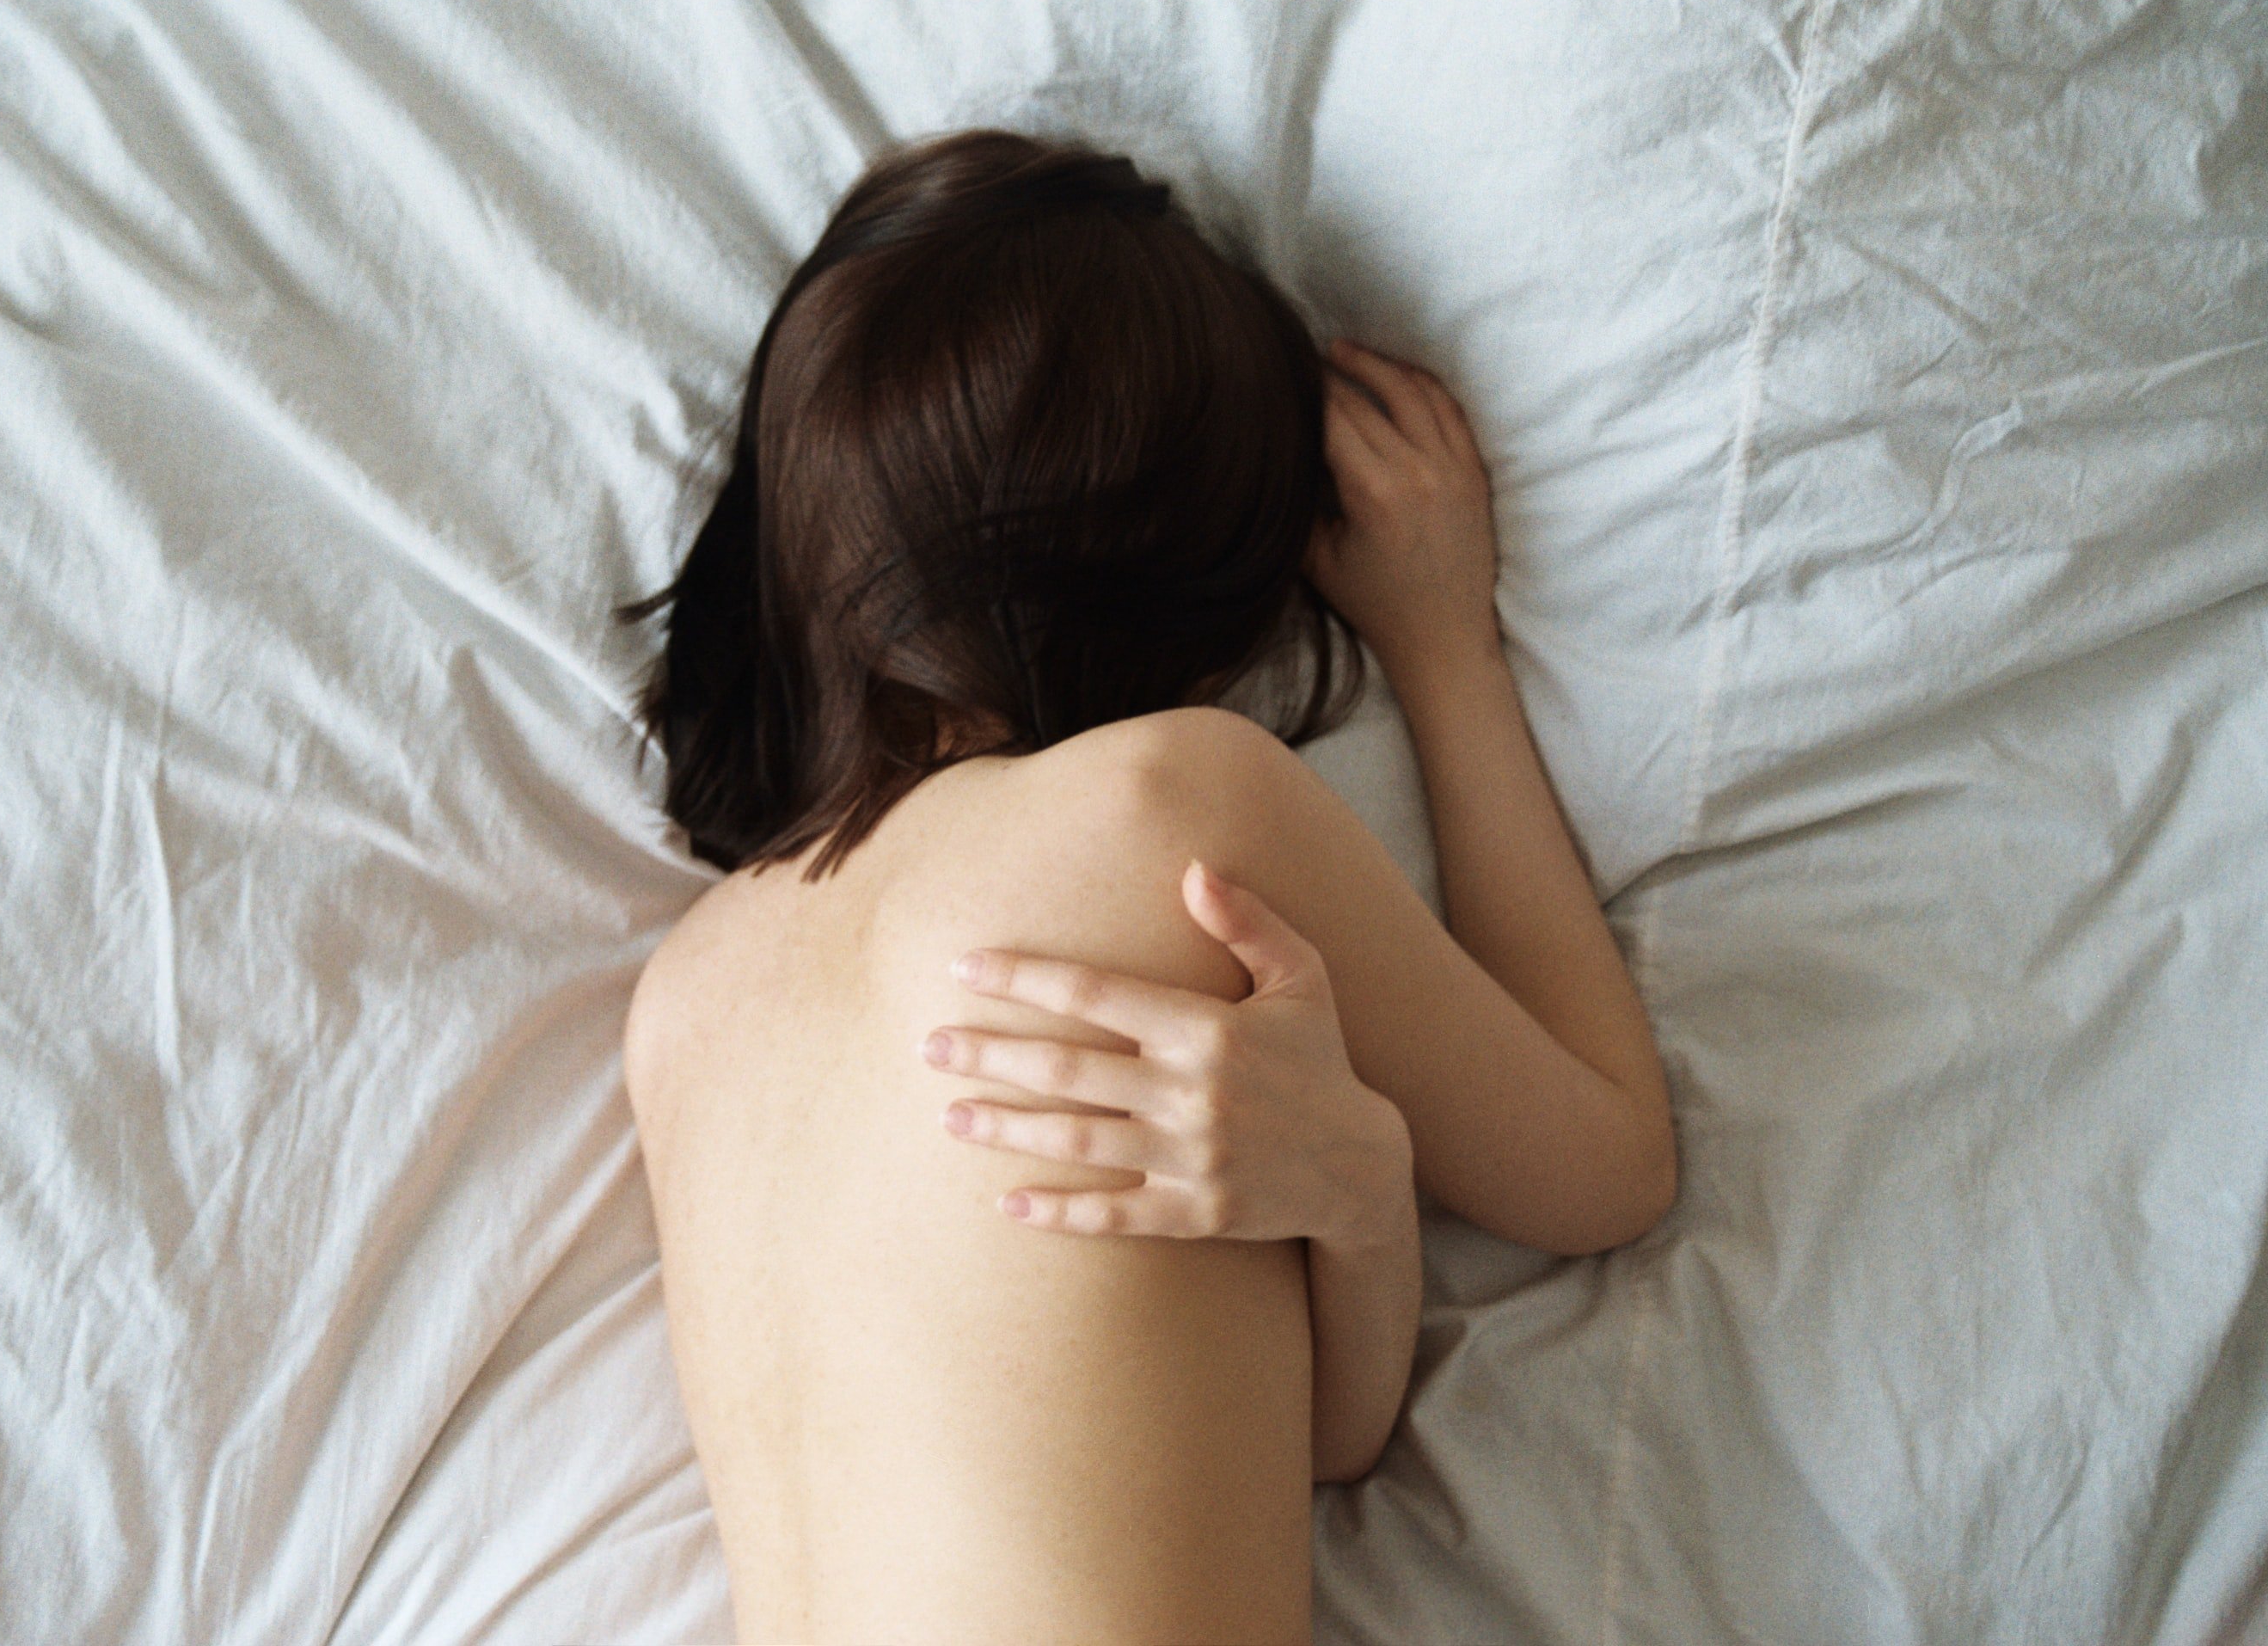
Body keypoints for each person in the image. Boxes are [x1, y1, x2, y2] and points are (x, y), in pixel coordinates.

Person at [618, 126, 1676, 1645]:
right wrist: (1446, 648)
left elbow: (1291, 1448)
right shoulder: (1163, 801)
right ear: (1210, 580)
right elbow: (1608, 1165)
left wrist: (1362, 1194)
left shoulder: (690, 995)